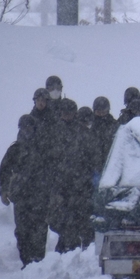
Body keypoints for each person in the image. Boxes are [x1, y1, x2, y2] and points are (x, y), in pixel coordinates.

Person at [0, 114, 52, 267]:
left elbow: (53, 170)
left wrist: (52, 191)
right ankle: (26, 262)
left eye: (30, 127)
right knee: (22, 232)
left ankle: (38, 262)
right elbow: (4, 171)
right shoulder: (15, 150)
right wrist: (4, 190)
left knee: (40, 230)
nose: (27, 130)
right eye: (24, 127)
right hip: (21, 198)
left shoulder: (43, 148)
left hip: (40, 197)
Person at [48, 100, 98, 252]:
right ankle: (66, 250)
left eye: (70, 113)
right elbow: (48, 158)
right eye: (64, 113)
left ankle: (85, 251)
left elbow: (94, 157)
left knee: (83, 220)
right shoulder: (54, 132)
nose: (67, 116)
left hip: (82, 186)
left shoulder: (84, 133)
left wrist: (89, 176)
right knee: (63, 222)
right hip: (61, 187)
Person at [91, 96, 118, 175]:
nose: (102, 114)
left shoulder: (114, 125)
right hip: (94, 167)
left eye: (104, 111)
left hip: (111, 165)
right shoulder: (90, 125)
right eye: (99, 112)